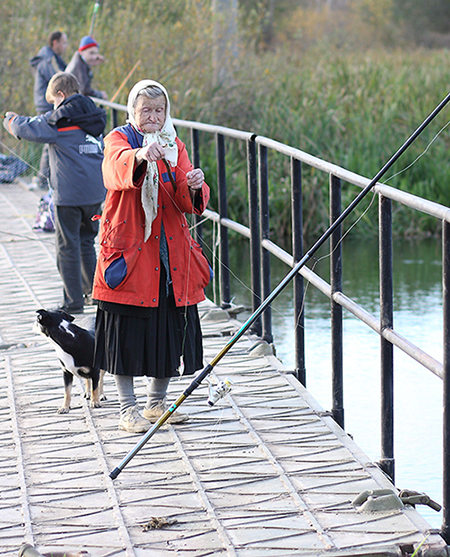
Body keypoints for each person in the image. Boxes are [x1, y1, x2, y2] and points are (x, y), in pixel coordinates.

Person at [92, 79, 211, 433]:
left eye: (159, 110)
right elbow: (114, 170)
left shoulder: (174, 144)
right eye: (146, 110)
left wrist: (194, 184)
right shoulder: (118, 138)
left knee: (170, 324)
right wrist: (141, 156)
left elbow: (190, 199)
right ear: (133, 111)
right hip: (130, 249)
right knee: (125, 329)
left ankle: (157, 403)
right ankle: (127, 409)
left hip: (170, 249)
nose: (153, 117)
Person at [4, 72, 107, 314]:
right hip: (96, 194)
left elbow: (27, 128)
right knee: (86, 242)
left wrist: (10, 120)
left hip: (69, 196)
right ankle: (93, 293)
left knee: (66, 246)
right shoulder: (94, 115)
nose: (53, 107)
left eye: (53, 101)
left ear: (61, 95)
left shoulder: (60, 119)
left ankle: (73, 302)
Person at [30, 30, 69, 189]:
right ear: (55, 42)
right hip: (48, 104)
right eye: (64, 43)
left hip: (49, 104)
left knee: (51, 140)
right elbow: (59, 80)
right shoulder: (48, 59)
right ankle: (43, 179)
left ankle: (45, 178)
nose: (66, 46)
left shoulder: (52, 58)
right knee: (50, 140)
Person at [65, 36, 108, 100]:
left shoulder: (80, 61)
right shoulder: (79, 65)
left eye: (95, 54)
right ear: (82, 52)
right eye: (91, 53)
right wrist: (100, 94)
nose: (94, 57)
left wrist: (91, 64)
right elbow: (85, 90)